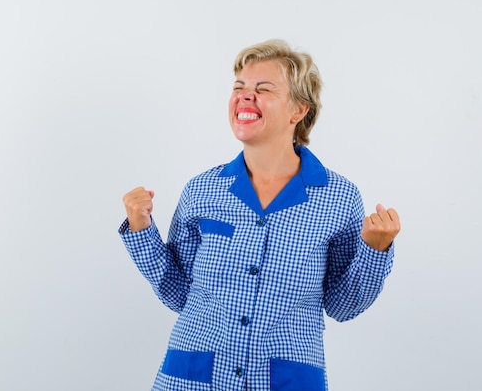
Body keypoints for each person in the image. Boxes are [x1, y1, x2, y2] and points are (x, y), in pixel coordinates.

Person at [118, 39, 400, 391]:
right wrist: (141, 229)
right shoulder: (202, 190)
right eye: (239, 88)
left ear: (299, 110)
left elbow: (342, 306)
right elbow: (179, 294)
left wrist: (376, 250)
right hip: (192, 380)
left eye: (263, 89)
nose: (245, 96)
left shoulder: (338, 198)